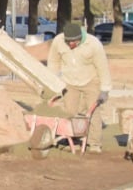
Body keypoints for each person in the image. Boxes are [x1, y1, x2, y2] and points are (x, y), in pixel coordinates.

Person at [47, 22, 112, 153]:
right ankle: (73, 140)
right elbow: (53, 62)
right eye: (68, 41)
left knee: (93, 112)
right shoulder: (58, 41)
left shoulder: (93, 44)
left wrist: (105, 89)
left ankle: (94, 143)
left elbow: (102, 67)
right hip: (69, 81)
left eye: (74, 42)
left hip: (91, 80)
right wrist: (52, 82)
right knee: (70, 112)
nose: (71, 44)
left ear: (80, 37)